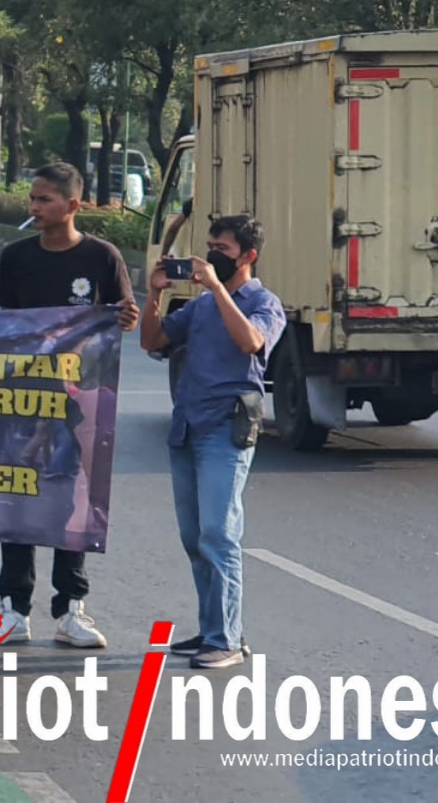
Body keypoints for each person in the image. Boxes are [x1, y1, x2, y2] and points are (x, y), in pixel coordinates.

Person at [0, 162, 139, 649]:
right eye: (32, 198)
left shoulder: (102, 257)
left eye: (44, 199)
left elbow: (121, 318)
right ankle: (14, 609)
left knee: (75, 499)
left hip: (82, 401)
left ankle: (71, 608)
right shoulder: (15, 258)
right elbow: (5, 329)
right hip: (24, 399)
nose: (34, 207)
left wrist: (128, 317)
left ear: (73, 206)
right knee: (19, 495)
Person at [140, 215, 285, 670]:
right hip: (187, 425)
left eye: (221, 248)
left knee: (219, 534)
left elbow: (251, 341)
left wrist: (217, 289)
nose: (211, 255)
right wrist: (156, 294)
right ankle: (212, 629)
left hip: (227, 428)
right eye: (208, 247)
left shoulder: (264, 302)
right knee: (193, 536)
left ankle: (226, 638)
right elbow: (153, 339)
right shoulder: (200, 308)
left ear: (248, 255)